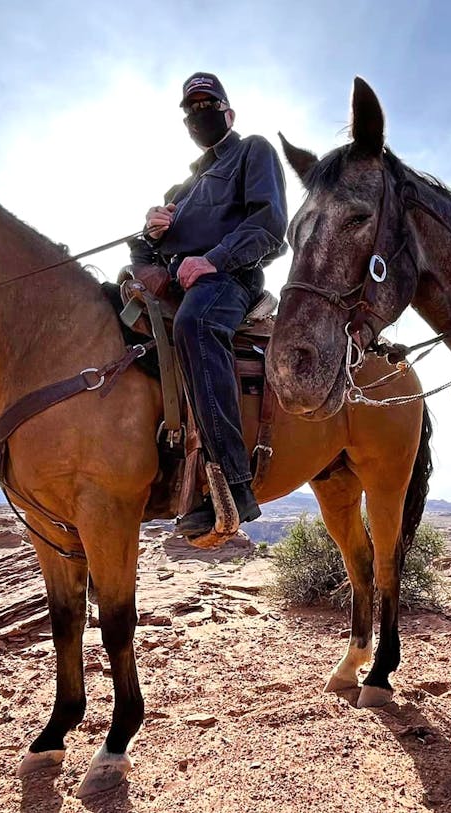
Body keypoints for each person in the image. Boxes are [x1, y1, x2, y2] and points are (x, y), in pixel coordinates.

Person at [128, 71, 289, 535]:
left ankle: (233, 483)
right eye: (191, 110)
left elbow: (268, 226)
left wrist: (213, 260)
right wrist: (150, 231)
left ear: (228, 112)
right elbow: (146, 254)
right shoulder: (179, 191)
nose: (199, 115)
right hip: (175, 281)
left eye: (207, 105)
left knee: (196, 326)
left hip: (230, 279)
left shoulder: (251, 151)